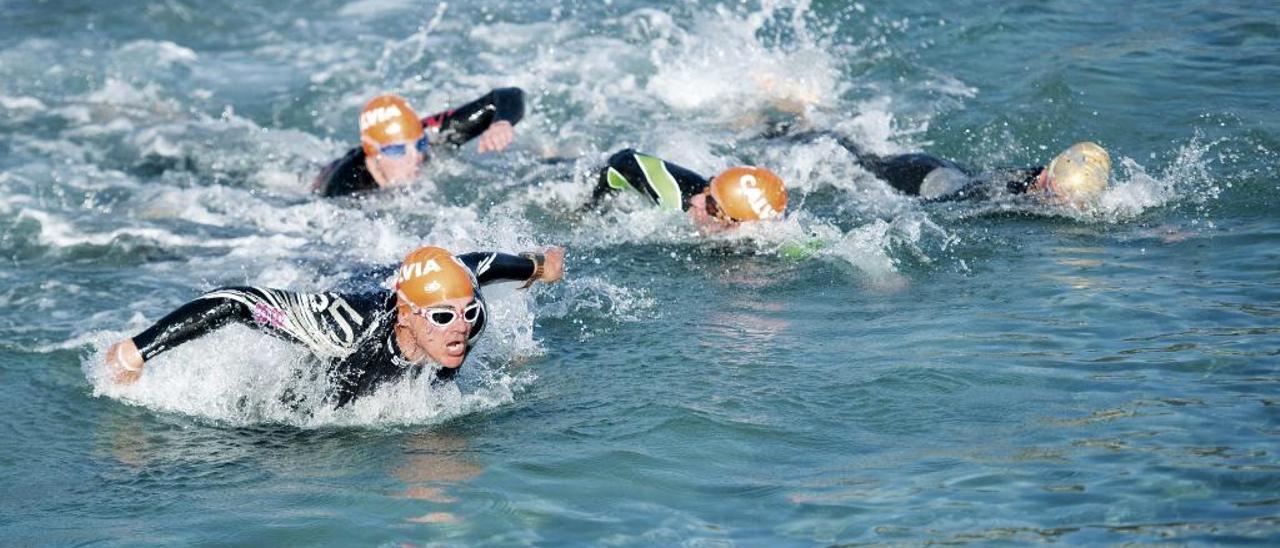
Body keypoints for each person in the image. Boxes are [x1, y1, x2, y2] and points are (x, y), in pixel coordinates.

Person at [104, 246, 564, 407]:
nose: (459, 328)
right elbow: (234, 302)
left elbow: (481, 263)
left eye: (466, 312)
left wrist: (540, 265)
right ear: (407, 316)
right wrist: (137, 350)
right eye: (443, 317)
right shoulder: (345, 325)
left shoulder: (465, 307)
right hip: (347, 319)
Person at [780, 130, 1113, 208]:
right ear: (1044, 179)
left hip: (951, 169)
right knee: (859, 158)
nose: (1065, 205)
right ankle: (789, 127)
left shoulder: (1045, 177)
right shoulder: (992, 193)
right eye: (1056, 195)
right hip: (918, 174)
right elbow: (931, 212)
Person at [313, 87, 526, 197]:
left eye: (420, 144)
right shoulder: (344, 186)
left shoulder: (434, 135)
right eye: (397, 150)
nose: (415, 156)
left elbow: (508, 95)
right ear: (373, 153)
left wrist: (502, 124)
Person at [587, 148, 789, 231]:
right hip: (586, 172)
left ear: (735, 225)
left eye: (711, 207)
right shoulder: (673, 192)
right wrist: (590, 209)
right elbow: (622, 161)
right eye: (708, 192)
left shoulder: (744, 234)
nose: (697, 202)